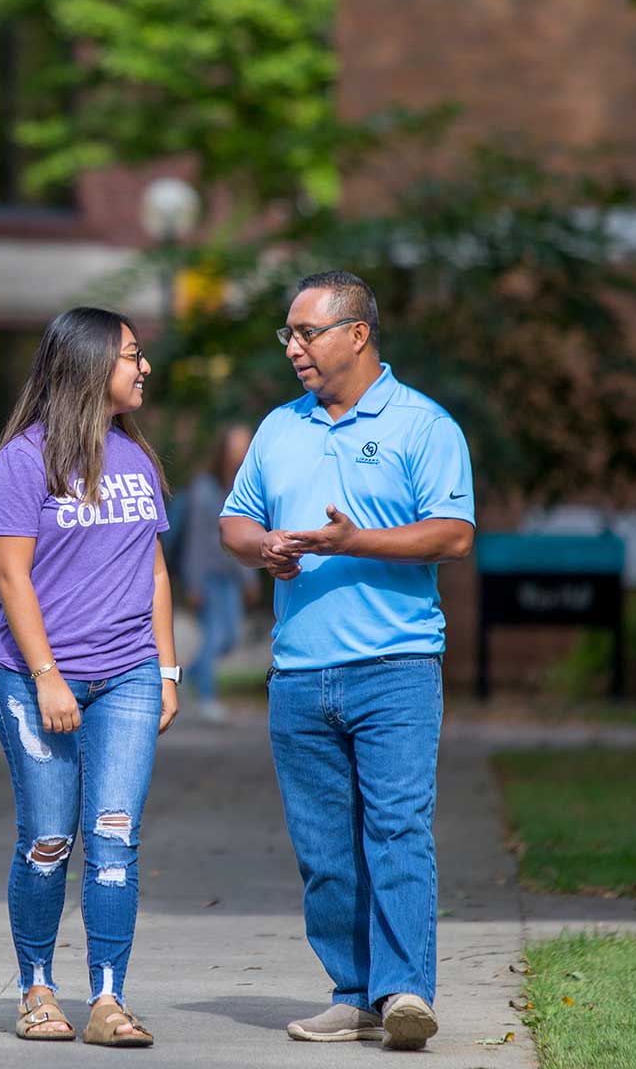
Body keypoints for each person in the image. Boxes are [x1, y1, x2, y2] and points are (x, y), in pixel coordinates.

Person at [219, 271, 475, 1052]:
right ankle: (354, 993)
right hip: (298, 675)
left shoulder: (423, 427)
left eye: (307, 333)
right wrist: (263, 547)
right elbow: (234, 520)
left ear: (357, 334)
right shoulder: (279, 429)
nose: (294, 348)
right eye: (288, 335)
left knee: (396, 831)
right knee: (325, 851)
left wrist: (350, 540)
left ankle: (404, 993)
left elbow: (453, 534)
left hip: (395, 667)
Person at [0, 305, 180, 1048]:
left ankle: (107, 1000)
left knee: (115, 837)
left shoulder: (138, 458)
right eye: (134, 354)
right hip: (37, 679)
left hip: (128, 674)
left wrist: (166, 670)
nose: (144, 367)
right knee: (47, 840)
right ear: (95, 364)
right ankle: (36, 990)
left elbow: (155, 571)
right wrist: (47, 676)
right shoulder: (23, 461)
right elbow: (12, 575)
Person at [179, 424, 260, 721]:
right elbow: (198, 541)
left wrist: (248, 578)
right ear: (223, 448)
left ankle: (189, 676)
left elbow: (245, 535)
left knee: (230, 637)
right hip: (209, 577)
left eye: (246, 444)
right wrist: (194, 582)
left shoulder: (239, 486)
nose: (242, 451)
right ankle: (207, 698)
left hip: (231, 576)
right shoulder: (205, 488)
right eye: (236, 444)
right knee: (215, 636)